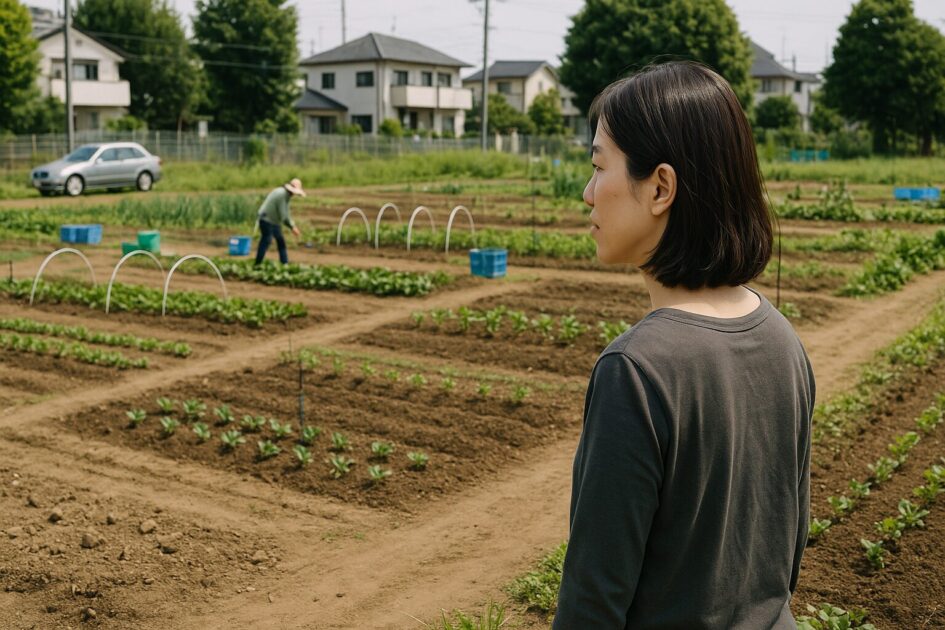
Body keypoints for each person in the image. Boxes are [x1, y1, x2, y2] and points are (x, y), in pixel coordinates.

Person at [552, 61, 815, 629]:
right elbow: (788, 546)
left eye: (599, 167)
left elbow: (592, 602)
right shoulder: (781, 336)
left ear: (660, 188)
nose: (587, 192)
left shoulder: (638, 370)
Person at [254, 178, 305, 265]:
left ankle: (284, 263)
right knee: (267, 239)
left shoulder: (285, 194)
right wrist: (292, 227)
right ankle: (258, 264)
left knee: (280, 240)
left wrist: (292, 225)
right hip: (266, 219)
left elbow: (286, 211)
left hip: (274, 221)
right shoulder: (281, 194)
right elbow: (283, 215)